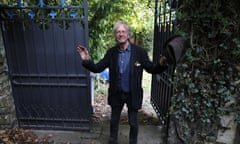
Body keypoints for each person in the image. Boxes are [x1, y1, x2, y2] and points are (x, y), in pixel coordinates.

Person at [77, 21, 168, 144]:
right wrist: (87, 60)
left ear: (128, 34)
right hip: (116, 93)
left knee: (133, 123)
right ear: (115, 35)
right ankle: (113, 141)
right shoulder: (111, 52)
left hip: (132, 93)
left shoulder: (139, 52)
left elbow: (151, 68)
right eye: (118, 32)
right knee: (114, 121)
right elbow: (98, 68)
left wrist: (161, 65)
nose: (120, 34)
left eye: (123, 31)